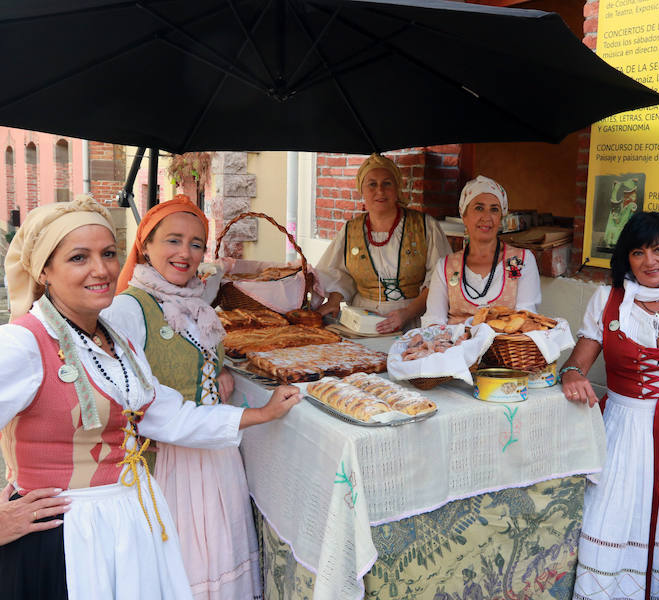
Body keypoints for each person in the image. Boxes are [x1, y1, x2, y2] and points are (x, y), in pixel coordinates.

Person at [0, 195, 300, 600]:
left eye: (108, 253)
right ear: (45, 270)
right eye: (78, 258)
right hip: (68, 538)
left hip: (130, 525)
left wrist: (261, 415)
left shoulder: (115, 341)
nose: (102, 269)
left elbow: (165, 415)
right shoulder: (23, 343)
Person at [561, 211, 659, 600]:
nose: (649, 261)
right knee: (612, 514)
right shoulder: (608, 298)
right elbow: (574, 364)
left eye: (658, 250)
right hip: (623, 426)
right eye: (638, 252)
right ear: (626, 259)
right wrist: (571, 375)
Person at [103, 196, 256, 600]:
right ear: (146, 245)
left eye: (196, 244)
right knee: (180, 565)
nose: (185, 253)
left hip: (214, 458)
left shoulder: (196, 303)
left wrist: (218, 367)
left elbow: (194, 355)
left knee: (218, 551)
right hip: (167, 463)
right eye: (173, 240)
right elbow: (134, 398)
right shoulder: (127, 309)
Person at [315, 154, 452, 332]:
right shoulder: (351, 231)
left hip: (412, 322)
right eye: (372, 184)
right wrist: (333, 302)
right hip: (362, 322)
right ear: (361, 189)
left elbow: (440, 279)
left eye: (387, 183)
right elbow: (341, 274)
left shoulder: (425, 227)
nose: (380, 190)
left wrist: (407, 313)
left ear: (397, 188)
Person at [421, 175, 541, 326]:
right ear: (464, 215)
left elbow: (525, 318)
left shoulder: (522, 260)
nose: (487, 217)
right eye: (479, 208)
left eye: (494, 209)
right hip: (456, 347)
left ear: (501, 218)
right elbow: (434, 320)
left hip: (505, 348)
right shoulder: (446, 267)